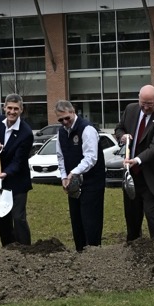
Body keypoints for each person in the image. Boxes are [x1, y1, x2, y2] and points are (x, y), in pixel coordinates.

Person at [115, 84, 154, 242]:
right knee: (132, 215)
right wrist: (122, 136)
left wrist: (137, 160)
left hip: (152, 175)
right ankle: (133, 245)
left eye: (150, 104)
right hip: (131, 176)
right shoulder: (131, 109)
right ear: (138, 99)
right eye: (143, 103)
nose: (146, 107)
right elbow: (119, 128)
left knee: (153, 215)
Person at [55, 99, 106, 252]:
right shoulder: (61, 133)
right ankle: (80, 253)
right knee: (76, 221)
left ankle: (93, 253)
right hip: (73, 184)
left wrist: (73, 172)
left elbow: (91, 157)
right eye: (60, 119)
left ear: (73, 112)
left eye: (67, 118)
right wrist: (64, 176)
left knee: (91, 222)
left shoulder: (87, 129)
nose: (64, 122)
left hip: (92, 183)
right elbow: (60, 156)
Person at [0, 94, 36, 246]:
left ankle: (25, 249)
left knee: (18, 217)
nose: (12, 112)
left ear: (21, 110)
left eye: (16, 109)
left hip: (17, 181)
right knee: (2, 217)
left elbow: (19, 161)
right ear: (4, 108)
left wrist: (6, 173)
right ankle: (8, 248)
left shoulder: (26, 133)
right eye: (9, 108)